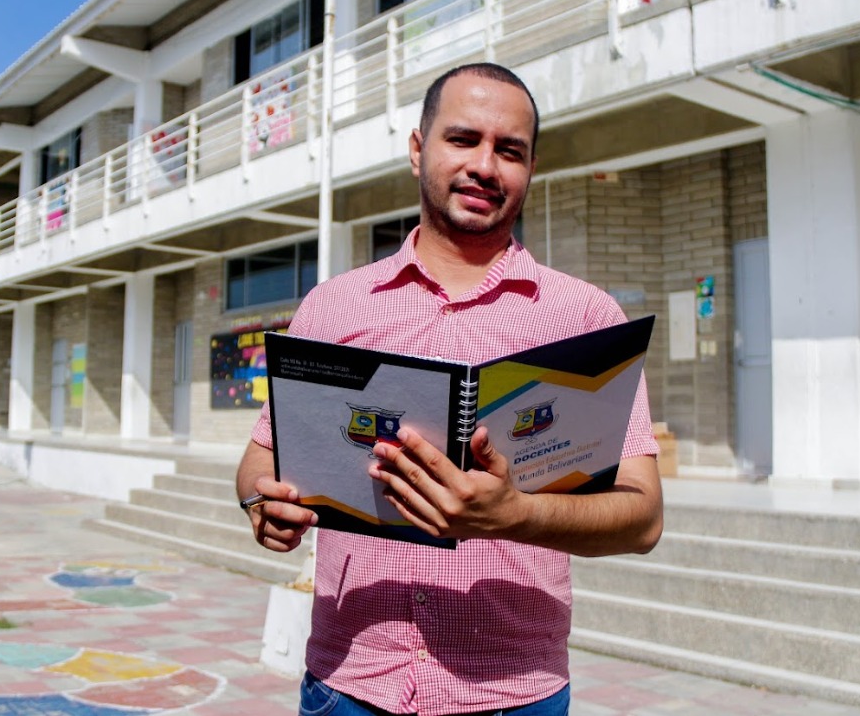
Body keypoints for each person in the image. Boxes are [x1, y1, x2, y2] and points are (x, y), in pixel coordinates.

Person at [236, 62, 662, 716]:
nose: (485, 166)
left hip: (512, 691)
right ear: (418, 148)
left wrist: (517, 513)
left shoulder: (584, 321)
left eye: (509, 149)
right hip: (351, 680)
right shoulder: (332, 307)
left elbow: (643, 516)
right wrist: (260, 502)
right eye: (463, 139)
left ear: (530, 168)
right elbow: (263, 455)